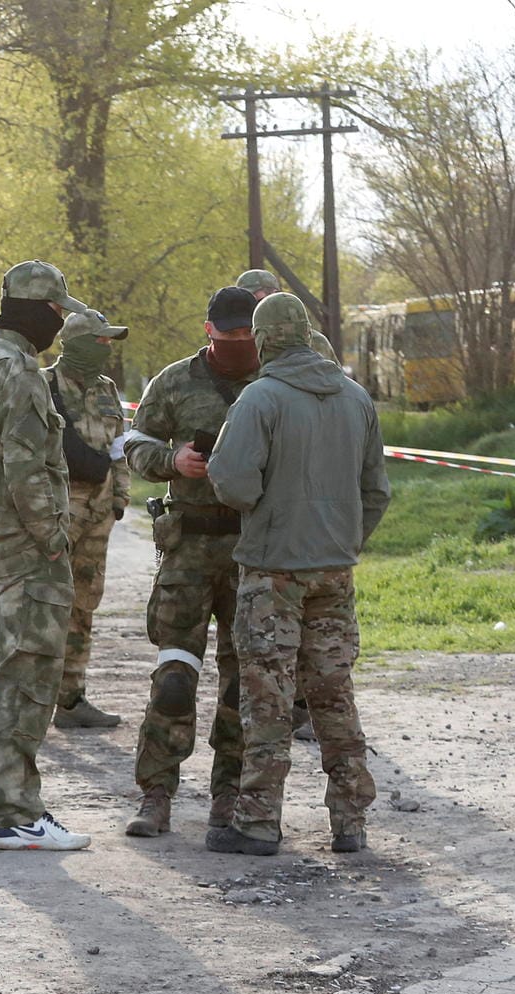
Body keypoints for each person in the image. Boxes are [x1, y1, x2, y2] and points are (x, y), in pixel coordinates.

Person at [205, 292, 391, 856]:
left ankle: (259, 822)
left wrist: (269, 513)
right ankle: (350, 821)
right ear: (307, 335)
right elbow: (376, 491)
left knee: (268, 698)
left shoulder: (261, 398)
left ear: (263, 341)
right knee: (334, 694)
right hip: (335, 571)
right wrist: (341, 539)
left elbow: (232, 480)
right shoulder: (357, 398)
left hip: (272, 574)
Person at [0, 260, 95, 852]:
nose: (60, 323)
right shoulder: (20, 373)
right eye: (58, 312)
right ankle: (20, 812)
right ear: (39, 310)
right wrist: (54, 538)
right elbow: (28, 469)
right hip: (27, 550)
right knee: (26, 672)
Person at [120, 286, 259, 839]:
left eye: (248, 337)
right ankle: (157, 793)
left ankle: (229, 794)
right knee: (175, 676)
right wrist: (172, 460)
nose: (239, 347)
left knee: (242, 682)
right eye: (229, 338)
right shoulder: (174, 381)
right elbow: (133, 443)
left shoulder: (274, 381)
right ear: (208, 331)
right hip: (189, 551)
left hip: (254, 551)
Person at [236, 268, 323, 742]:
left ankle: (296, 711)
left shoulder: (303, 363)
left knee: (296, 634)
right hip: (302, 531)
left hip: (288, 525)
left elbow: (233, 480)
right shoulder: (235, 355)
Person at [44, 309, 132, 730]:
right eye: (99, 342)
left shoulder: (106, 388)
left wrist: (120, 496)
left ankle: (71, 698)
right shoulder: (43, 385)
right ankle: (34, 697)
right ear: (77, 342)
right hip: (56, 513)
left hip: (98, 514)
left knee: (84, 604)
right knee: (45, 604)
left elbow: (120, 445)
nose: (105, 349)